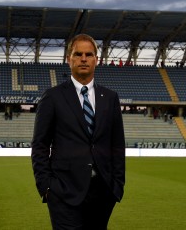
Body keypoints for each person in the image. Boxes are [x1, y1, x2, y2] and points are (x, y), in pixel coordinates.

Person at [31, 33, 125, 230]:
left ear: (96, 60)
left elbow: (117, 145)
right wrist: (46, 187)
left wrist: (117, 186)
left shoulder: (110, 98)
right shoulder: (53, 97)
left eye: (89, 54)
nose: (84, 59)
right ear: (69, 59)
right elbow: (40, 144)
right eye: (78, 54)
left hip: (103, 193)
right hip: (64, 192)